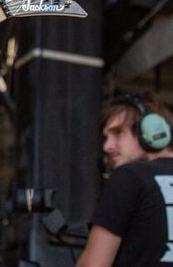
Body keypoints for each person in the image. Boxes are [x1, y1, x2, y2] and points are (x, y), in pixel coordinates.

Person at [76, 91, 173, 266]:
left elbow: (94, 265)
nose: (107, 146)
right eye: (106, 137)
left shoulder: (128, 176)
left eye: (118, 133)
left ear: (152, 131)